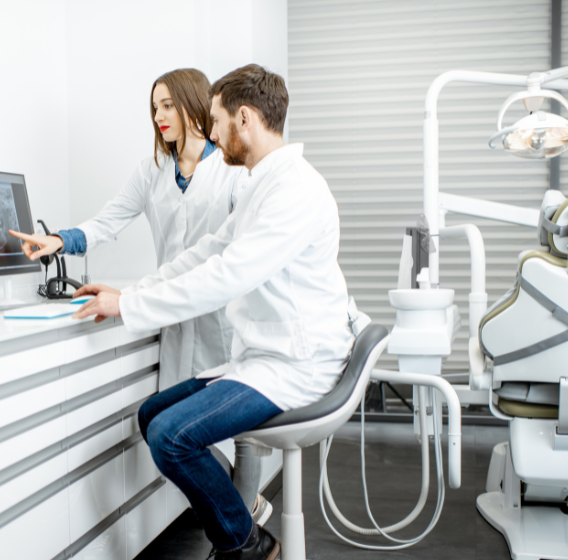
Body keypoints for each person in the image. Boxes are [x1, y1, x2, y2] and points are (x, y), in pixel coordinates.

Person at [72, 64, 355, 560]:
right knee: (151, 413)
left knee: (170, 437)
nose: (214, 132)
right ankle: (243, 525)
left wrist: (130, 306)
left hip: (297, 365)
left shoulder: (294, 191)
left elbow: (227, 275)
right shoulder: (262, 184)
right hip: (266, 356)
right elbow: (206, 253)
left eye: (218, 121)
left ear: (244, 119)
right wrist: (131, 293)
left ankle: (243, 545)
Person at [8, 68, 274, 526]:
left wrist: (133, 296)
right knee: (176, 428)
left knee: (240, 430)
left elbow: (233, 252)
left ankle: (242, 520)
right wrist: (59, 241)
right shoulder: (153, 171)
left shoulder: (231, 171)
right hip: (173, 313)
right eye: (154, 107)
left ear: (194, 105)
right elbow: (107, 221)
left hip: (224, 315)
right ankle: (242, 513)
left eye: (168, 105)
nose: (159, 116)